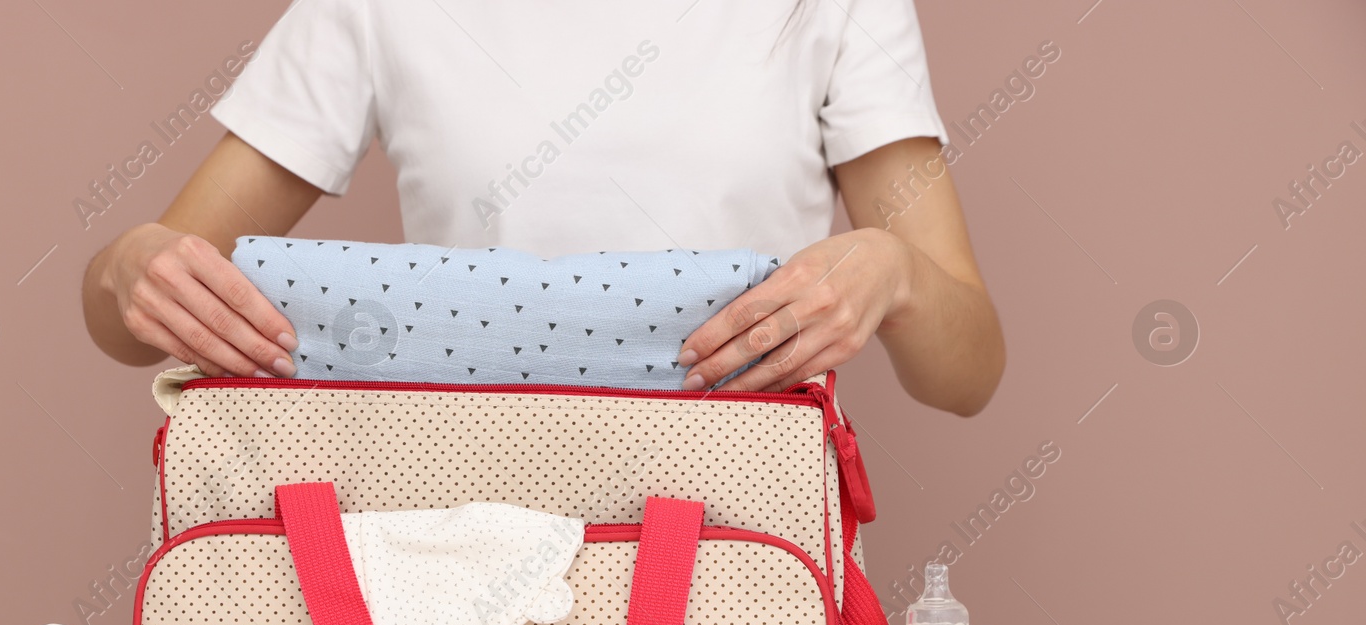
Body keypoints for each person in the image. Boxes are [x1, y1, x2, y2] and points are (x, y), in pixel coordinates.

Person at [82, 0, 1003, 414]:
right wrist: (130, 265)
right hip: (460, 552)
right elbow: (129, 321)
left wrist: (896, 272)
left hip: (746, 555)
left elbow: (967, 376)